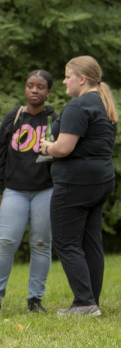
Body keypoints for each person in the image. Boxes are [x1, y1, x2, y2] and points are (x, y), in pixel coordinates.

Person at [39, 56, 117, 316]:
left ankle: (84, 303)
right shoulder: (103, 104)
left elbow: (64, 147)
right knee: (91, 241)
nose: (64, 80)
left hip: (76, 183)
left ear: (81, 79)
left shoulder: (78, 106)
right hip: (101, 180)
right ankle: (90, 300)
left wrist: (47, 147)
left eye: (67, 76)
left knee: (65, 241)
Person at [0, 70, 56, 314]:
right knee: (5, 242)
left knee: (41, 244)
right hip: (14, 191)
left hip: (45, 190)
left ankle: (35, 300)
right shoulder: (15, 117)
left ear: (48, 92)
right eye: (30, 85)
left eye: (40, 87)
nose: (34, 90)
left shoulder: (54, 120)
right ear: (25, 88)